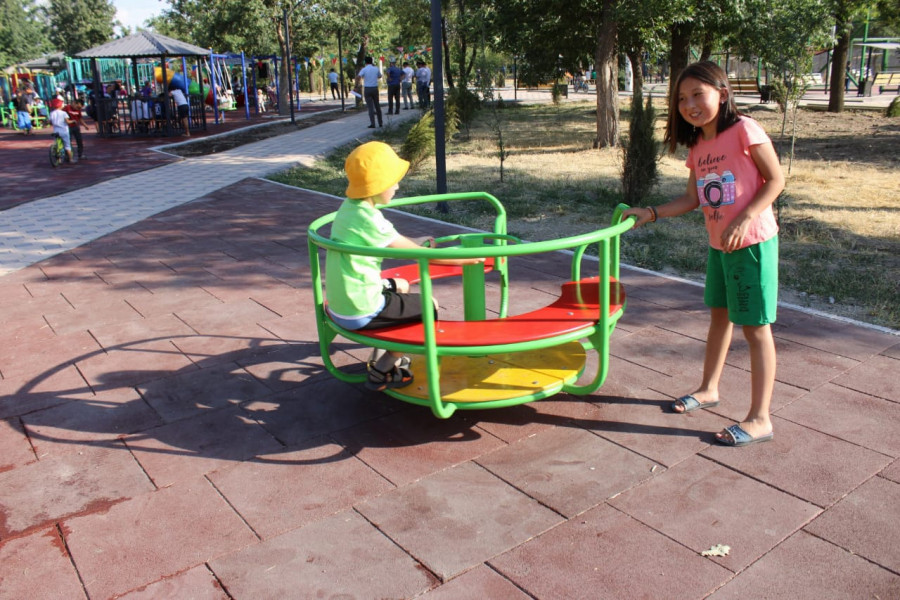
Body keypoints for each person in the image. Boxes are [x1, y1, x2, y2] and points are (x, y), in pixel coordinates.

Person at [622, 61, 784, 447]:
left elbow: (776, 180)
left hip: (752, 244)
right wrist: (651, 213)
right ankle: (709, 389)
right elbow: (693, 199)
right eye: (682, 98)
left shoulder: (744, 129)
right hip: (719, 246)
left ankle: (760, 418)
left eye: (698, 94)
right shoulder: (698, 146)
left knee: (756, 328)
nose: (690, 104)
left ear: (722, 94)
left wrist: (745, 218)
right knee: (719, 317)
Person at [325, 141, 484, 390]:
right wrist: (468, 259)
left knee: (401, 285)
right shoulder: (370, 220)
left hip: (341, 302)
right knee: (429, 306)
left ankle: (384, 352)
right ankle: (383, 369)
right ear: (377, 185)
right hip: (360, 309)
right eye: (393, 181)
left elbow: (399, 243)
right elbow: (420, 256)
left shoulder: (350, 209)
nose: (397, 187)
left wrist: (419, 242)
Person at [358, 56, 382, 128]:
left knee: (370, 107)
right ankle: (380, 122)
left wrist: (357, 84)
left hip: (367, 88)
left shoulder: (364, 69)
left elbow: (359, 76)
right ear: (372, 61)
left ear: (365, 62)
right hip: (375, 88)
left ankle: (373, 123)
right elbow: (380, 76)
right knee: (377, 105)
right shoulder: (376, 68)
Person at [49, 98, 74, 164]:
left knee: (57, 145)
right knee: (67, 145)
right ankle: (71, 159)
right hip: (64, 131)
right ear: (60, 105)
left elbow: (50, 122)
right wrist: (73, 121)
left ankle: (59, 160)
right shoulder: (64, 113)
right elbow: (67, 121)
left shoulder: (51, 113)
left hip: (56, 131)